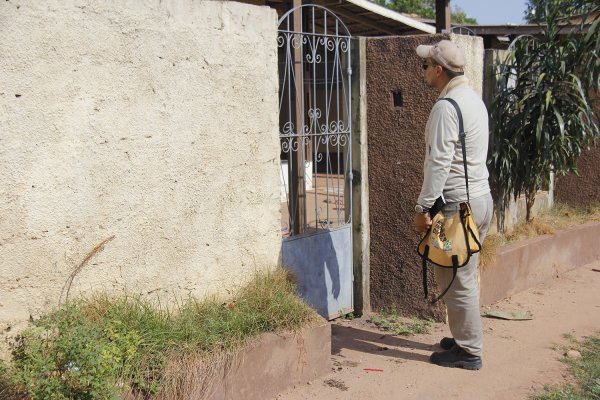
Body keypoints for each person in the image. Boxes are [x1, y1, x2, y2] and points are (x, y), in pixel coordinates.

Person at [413, 40, 493, 370]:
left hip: (456, 208)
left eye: (426, 66)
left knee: (453, 278)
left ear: (439, 70)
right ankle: (462, 338)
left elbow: (438, 163)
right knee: (464, 274)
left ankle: (470, 351)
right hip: (480, 201)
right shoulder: (473, 101)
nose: (424, 71)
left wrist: (422, 209)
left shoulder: (447, 108)